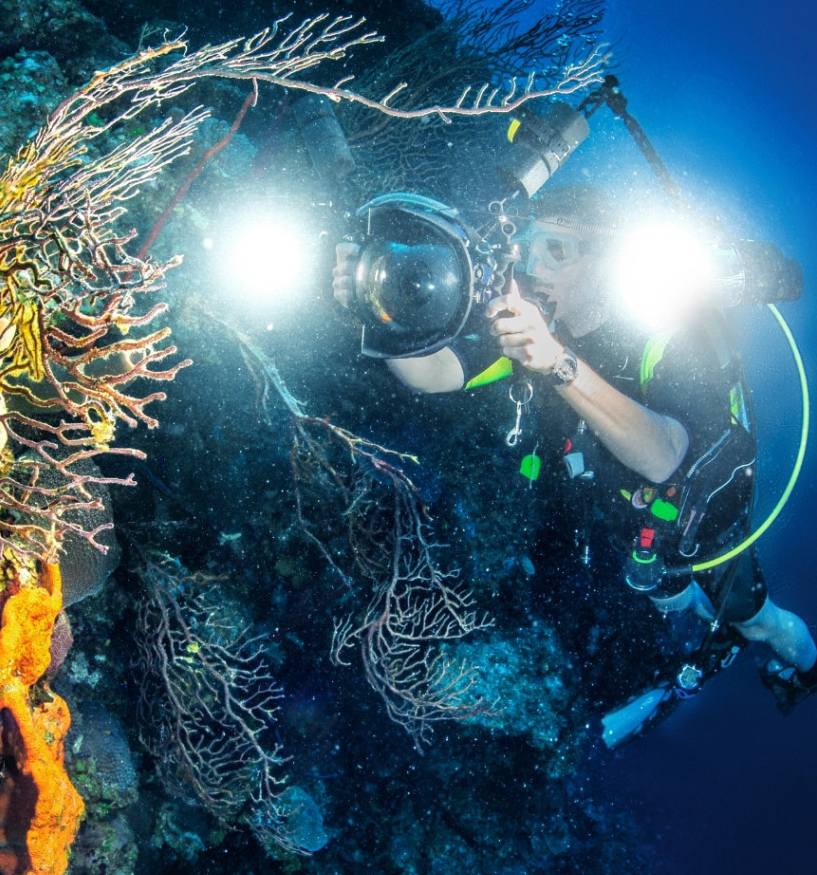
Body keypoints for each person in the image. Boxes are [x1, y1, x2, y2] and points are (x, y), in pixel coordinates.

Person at [333, 184, 817, 744]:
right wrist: (377, 307)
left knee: (753, 619)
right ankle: (683, 611)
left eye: (558, 251)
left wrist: (557, 361)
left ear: (605, 264)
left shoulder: (667, 334)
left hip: (696, 523)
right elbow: (432, 372)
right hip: (619, 520)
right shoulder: (538, 327)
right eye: (534, 246)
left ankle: (805, 665)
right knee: (663, 599)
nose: (534, 265)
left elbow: (665, 455)